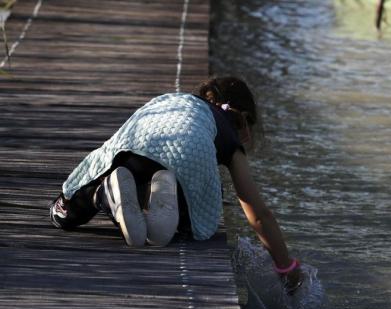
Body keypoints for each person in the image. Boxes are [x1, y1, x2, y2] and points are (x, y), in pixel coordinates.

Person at [49, 76, 302, 291]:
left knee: (63, 214)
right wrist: (286, 268)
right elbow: (259, 215)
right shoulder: (228, 137)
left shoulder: (172, 100)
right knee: (197, 208)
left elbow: (117, 139)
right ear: (244, 120)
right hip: (185, 164)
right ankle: (167, 215)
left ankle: (103, 194)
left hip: (134, 145)